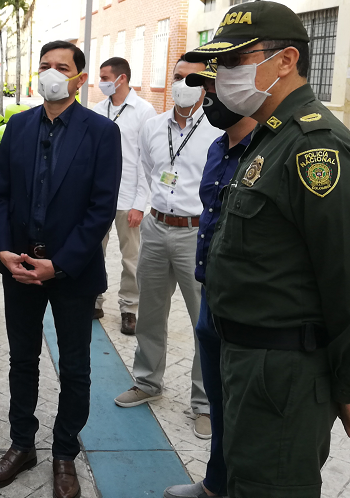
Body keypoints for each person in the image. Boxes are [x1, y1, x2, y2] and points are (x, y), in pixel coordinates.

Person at [183, 0, 350, 498]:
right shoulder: (267, 139)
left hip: (284, 371)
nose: (222, 75)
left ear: (286, 60)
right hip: (245, 358)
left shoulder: (315, 148)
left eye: (234, 61)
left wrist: (349, 387)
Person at [0, 40, 120, 498]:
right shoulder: (19, 126)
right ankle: (22, 445)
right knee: (21, 361)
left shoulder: (101, 133)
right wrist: (3, 250)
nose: (51, 73)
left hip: (72, 271)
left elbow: (101, 210)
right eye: (45, 66)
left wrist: (58, 265)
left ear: (80, 78)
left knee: (76, 367)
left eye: (61, 67)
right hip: (20, 266)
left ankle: (65, 454)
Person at [162, 65, 257, 498]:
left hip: (251, 305)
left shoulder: (270, 150)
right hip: (214, 293)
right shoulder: (219, 148)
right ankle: (215, 484)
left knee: (245, 410)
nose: (207, 95)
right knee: (222, 406)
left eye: (215, 85)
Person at [114, 58, 218, 441]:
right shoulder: (153, 126)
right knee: (150, 313)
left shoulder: (218, 130)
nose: (181, 84)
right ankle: (147, 382)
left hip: (197, 233)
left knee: (203, 322)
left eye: (191, 78)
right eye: (176, 76)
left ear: (207, 84)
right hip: (157, 228)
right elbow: (145, 171)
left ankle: (205, 403)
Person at [91, 57, 156, 332]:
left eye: (105, 77)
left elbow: (147, 161)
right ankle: (94, 300)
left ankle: (129, 308)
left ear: (122, 79)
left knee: (131, 258)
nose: (101, 82)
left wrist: (140, 204)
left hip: (129, 197)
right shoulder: (97, 109)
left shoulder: (144, 112)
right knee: (93, 253)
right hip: (98, 197)